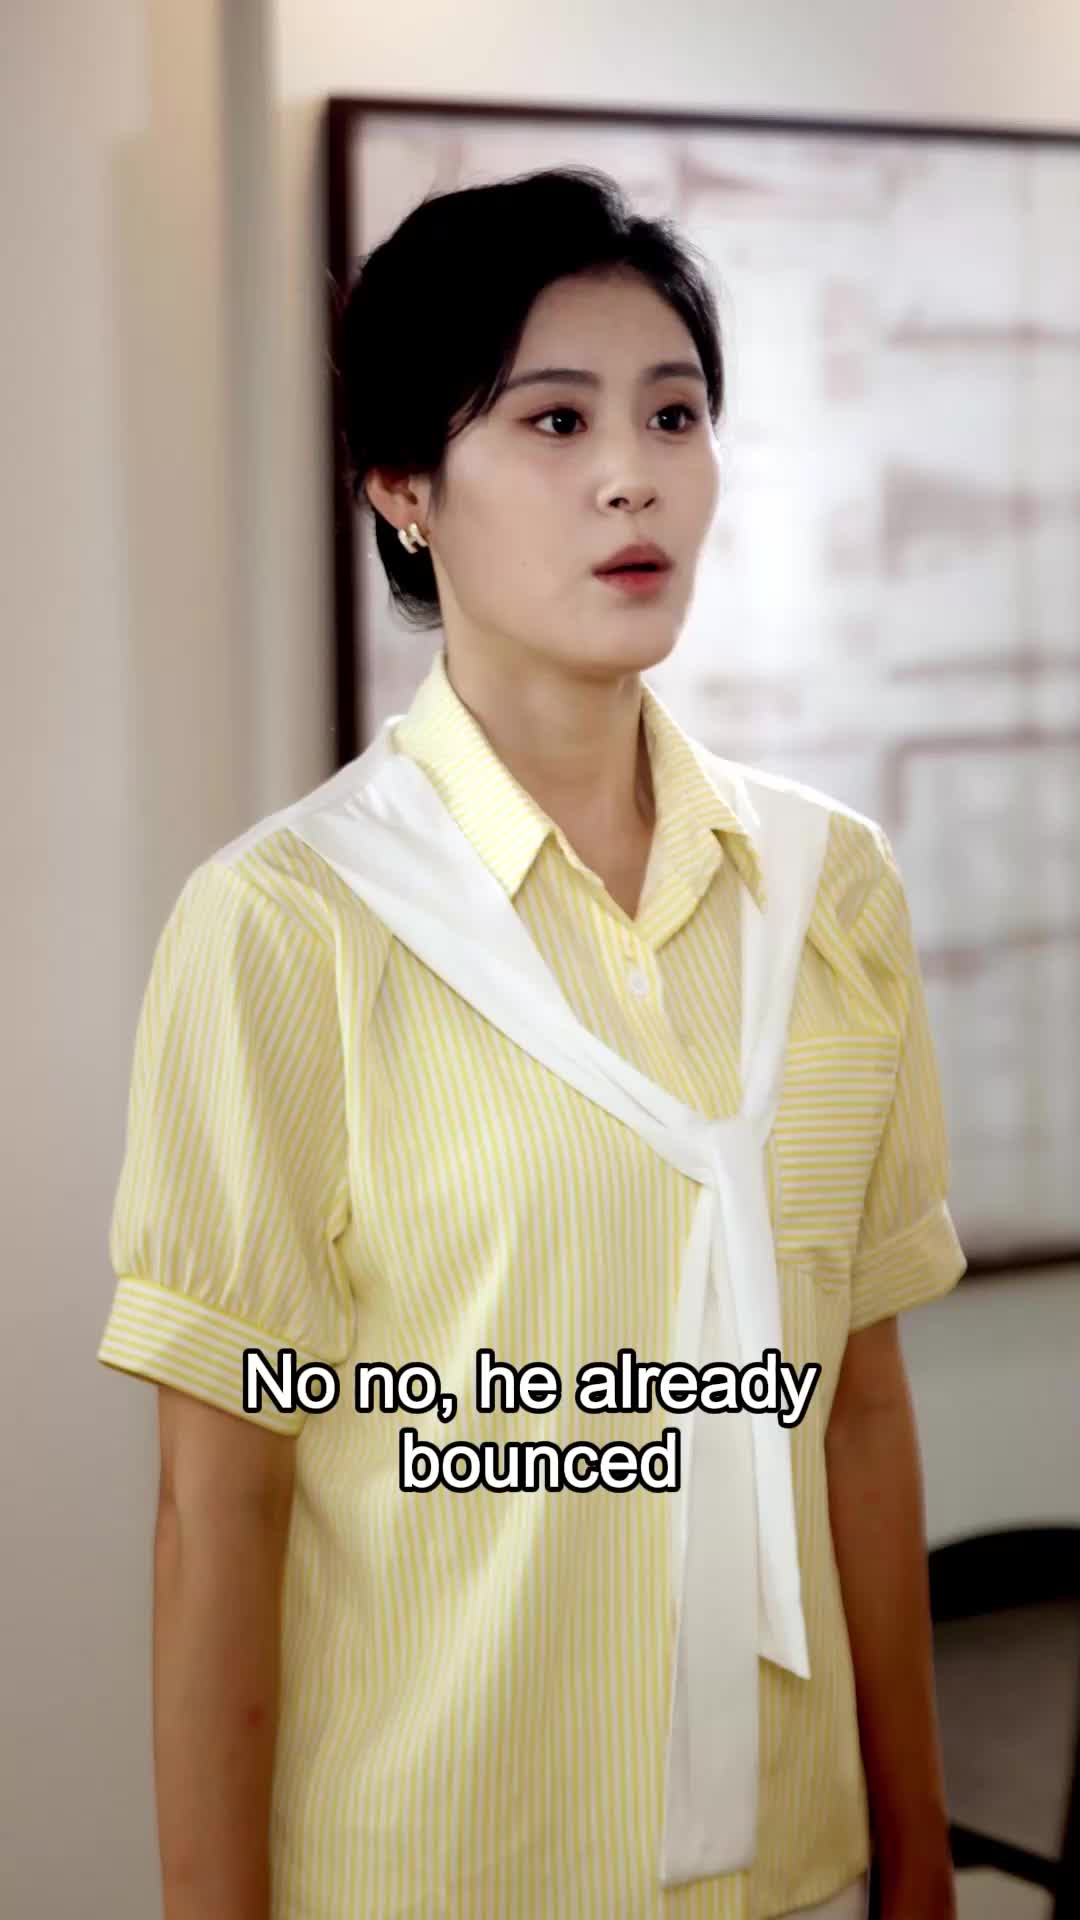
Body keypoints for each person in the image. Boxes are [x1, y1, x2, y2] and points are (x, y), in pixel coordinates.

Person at [97, 166, 965, 1920]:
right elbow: (221, 1512)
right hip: (438, 1873)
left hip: (797, 1874)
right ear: (404, 490)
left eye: (674, 415)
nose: (632, 474)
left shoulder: (829, 892)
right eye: (554, 420)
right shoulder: (288, 926)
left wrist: (920, 1860)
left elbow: (857, 1414)